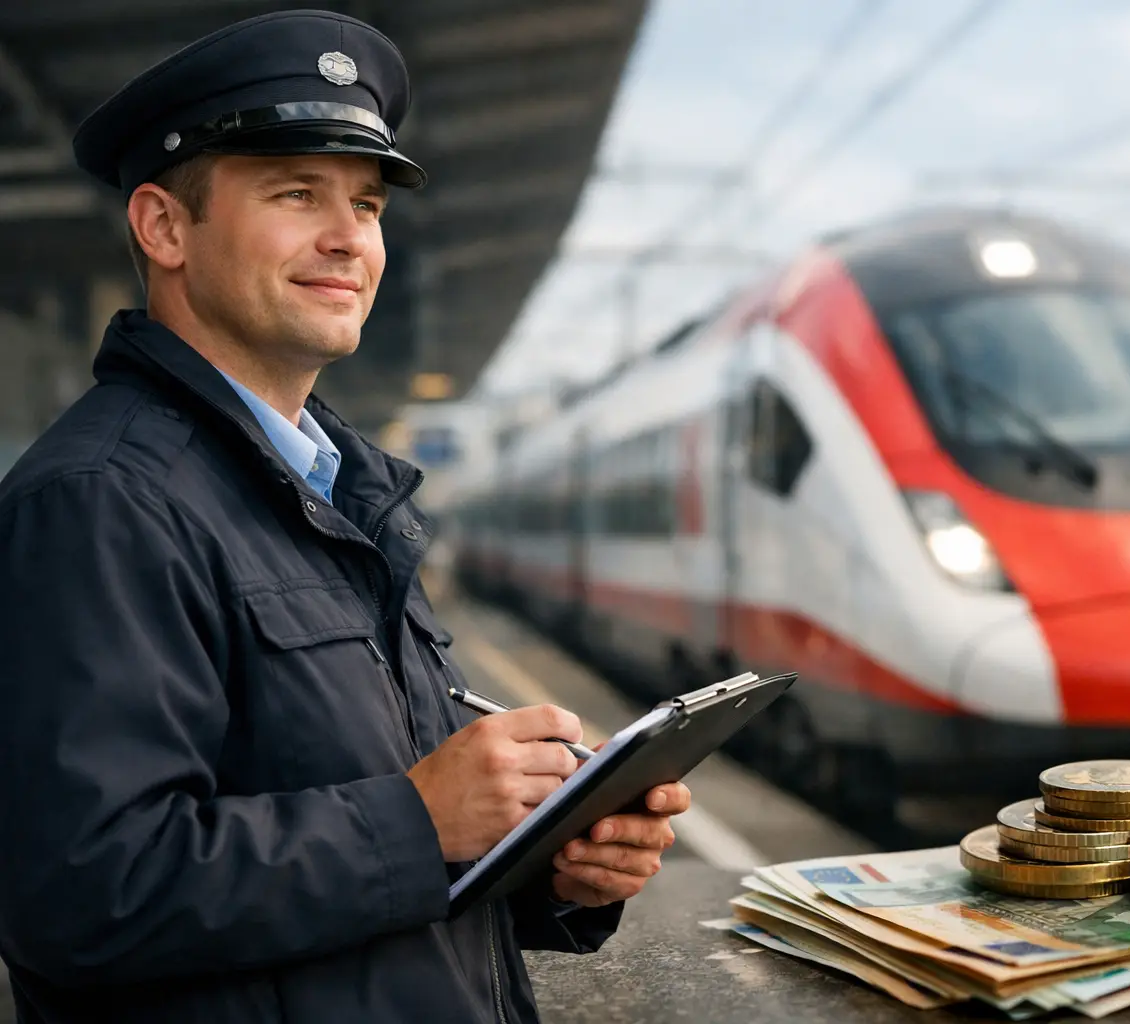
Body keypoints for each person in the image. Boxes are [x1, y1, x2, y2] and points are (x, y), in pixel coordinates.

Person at [0, 11, 689, 1023]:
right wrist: (418, 819)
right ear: (162, 227)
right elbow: (75, 894)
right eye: (295, 194)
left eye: (365, 205)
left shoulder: (342, 493)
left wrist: (551, 863)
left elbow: (376, 836)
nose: (349, 239)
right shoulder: (101, 502)